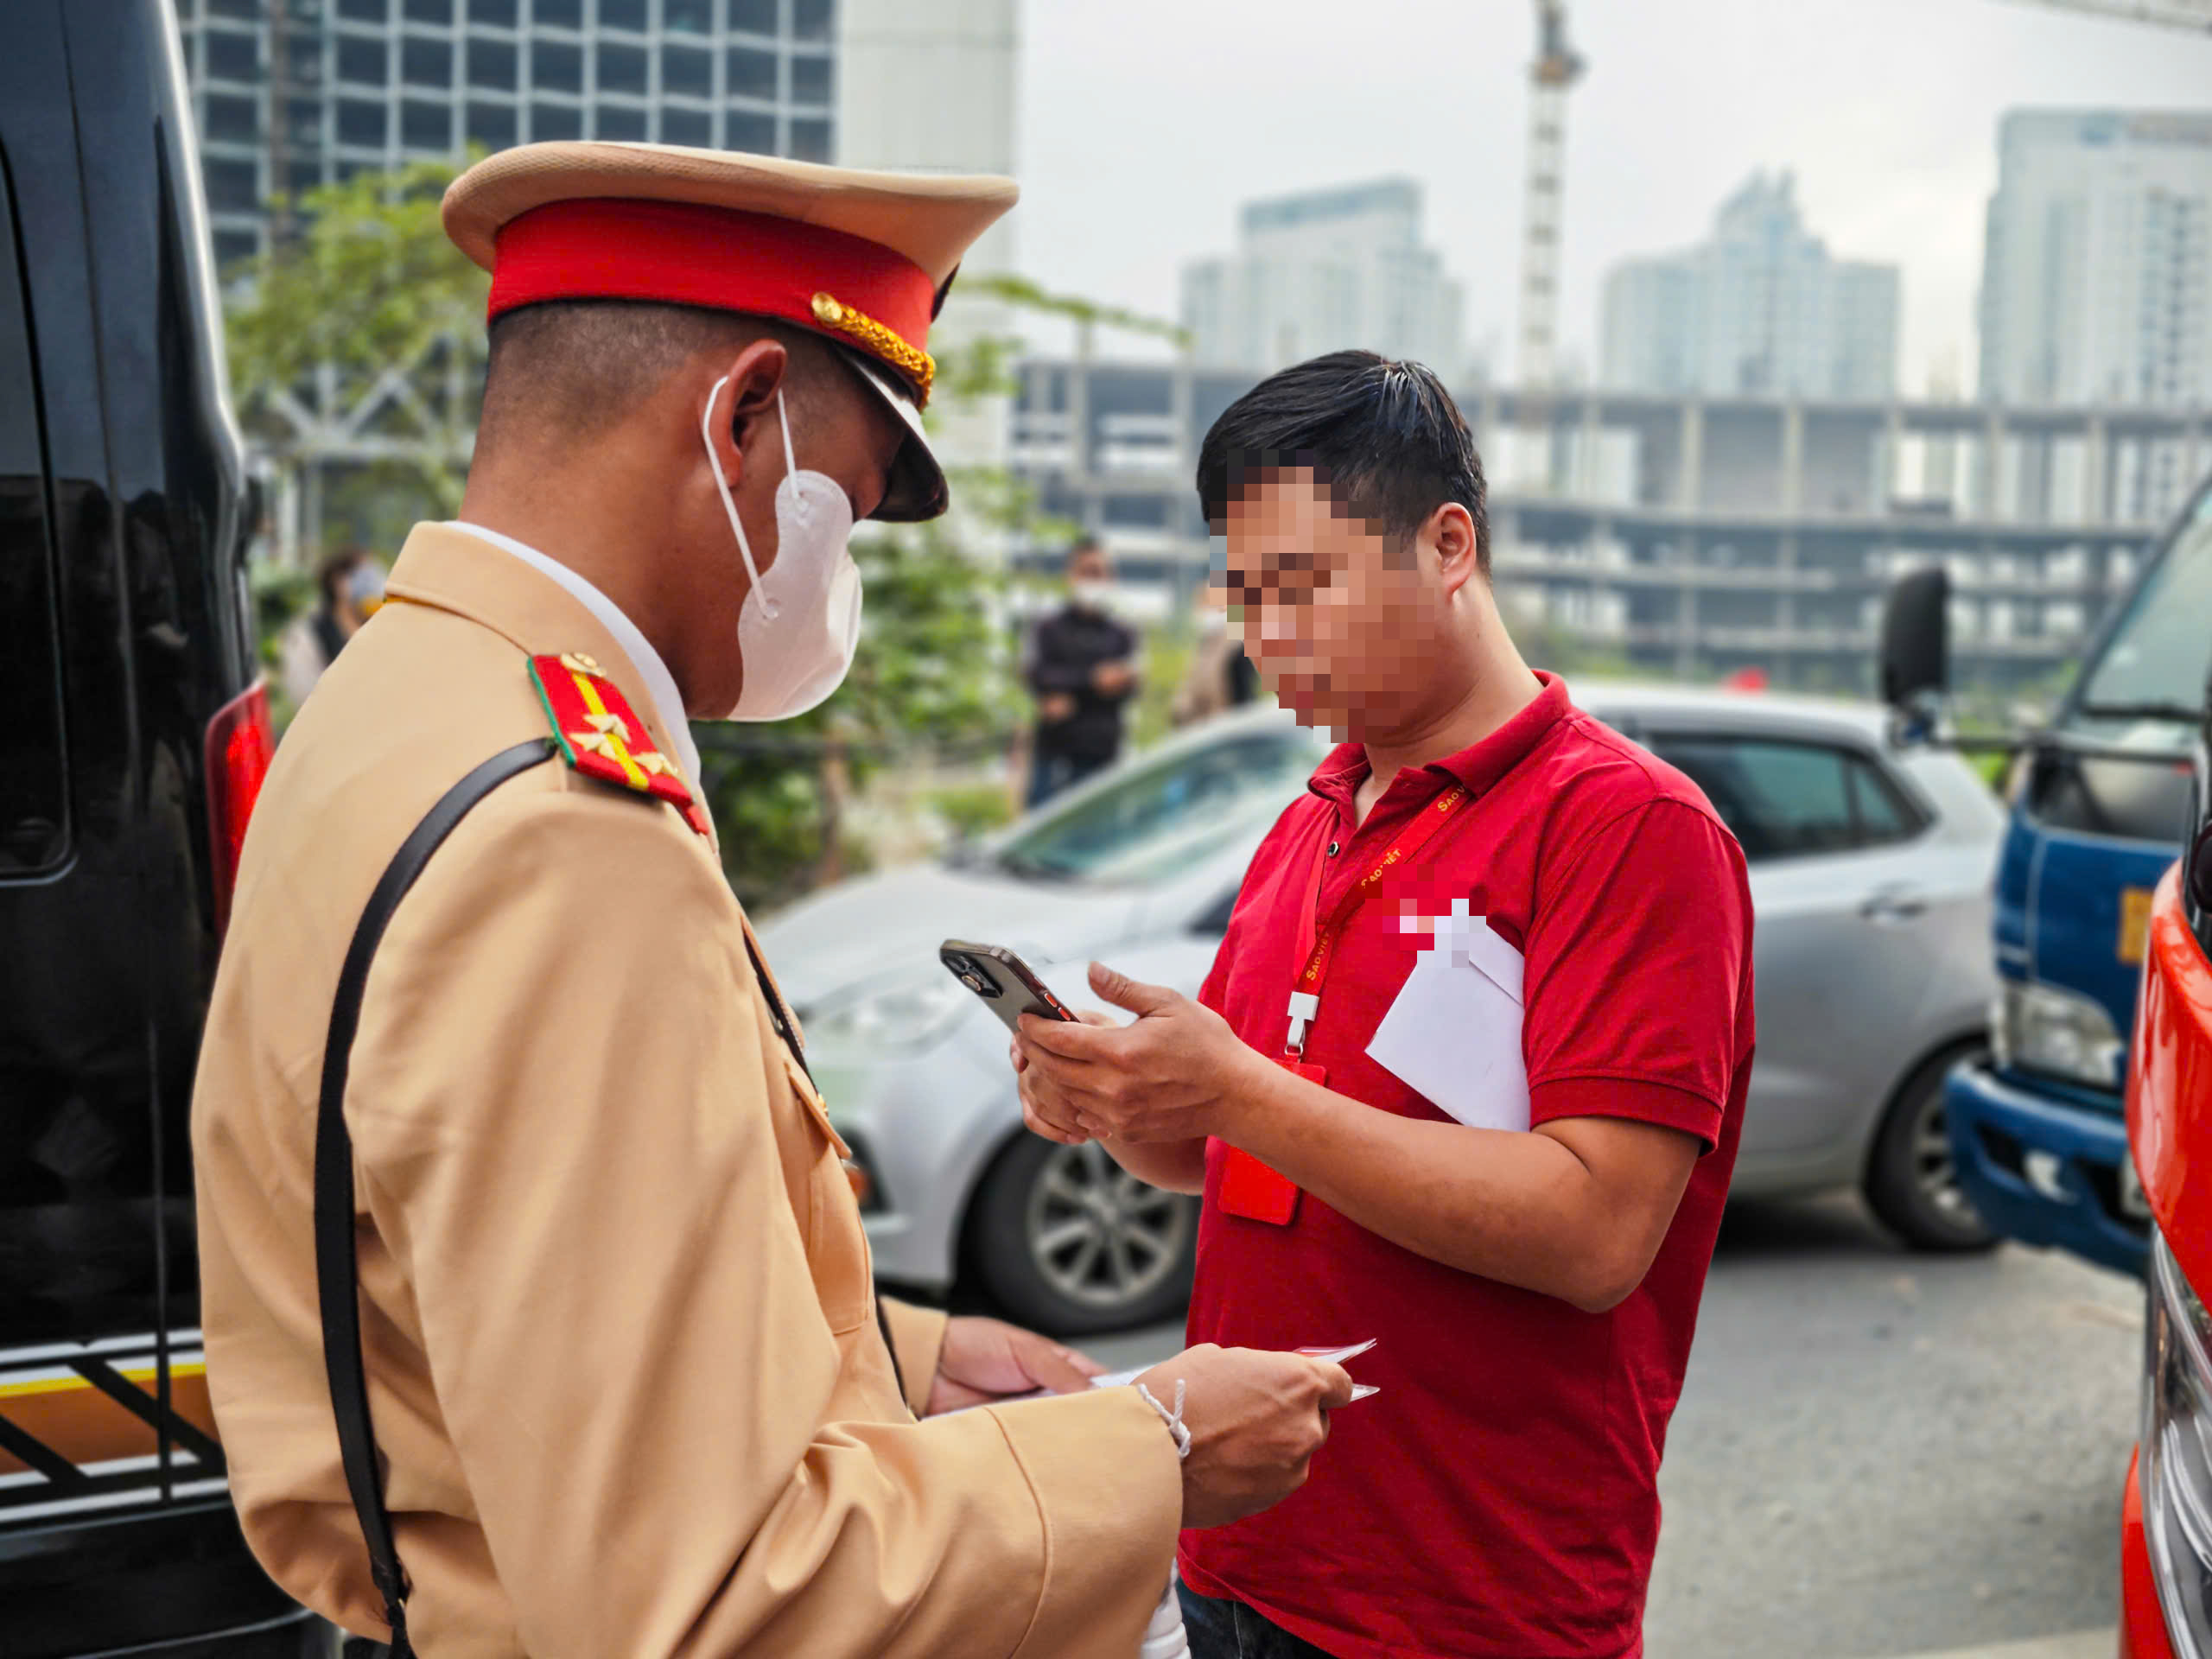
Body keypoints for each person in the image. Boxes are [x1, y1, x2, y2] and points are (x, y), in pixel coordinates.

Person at [191, 143, 1351, 1658]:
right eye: (847, 515)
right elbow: (710, 1603)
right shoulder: (564, 839)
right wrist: (1156, 1450)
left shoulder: (396, 698)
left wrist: (892, 1354)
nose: (839, 580)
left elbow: (496, 1305)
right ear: (739, 418)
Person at [1012, 352, 1756, 1659]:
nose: (1267, 638)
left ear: (1448, 543)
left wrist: (1240, 1086)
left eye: (1302, 586)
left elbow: (1595, 1232)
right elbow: (1223, 1152)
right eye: (1243, 598)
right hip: (1236, 1556)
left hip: (1469, 1603)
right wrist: (1119, 1103)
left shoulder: (1629, 829)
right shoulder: (1312, 823)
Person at [1022, 536, 1139, 804]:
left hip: (1103, 760)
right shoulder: (1048, 628)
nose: (1094, 580)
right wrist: (1092, 680)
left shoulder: (1122, 634)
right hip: (1053, 757)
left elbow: (1127, 686)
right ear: (1070, 574)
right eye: (1087, 572)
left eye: (1100, 572)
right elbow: (1038, 675)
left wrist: (1069, 691)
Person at [278, 546, 386, 709]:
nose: (371, 582)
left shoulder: (380, 627)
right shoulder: (308, 634)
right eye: (361, 575)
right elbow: (304, 696)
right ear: (337, 582)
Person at [1172, 578, 1261, 727]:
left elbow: (1244, 703)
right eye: (1202, 602)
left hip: (1226, 734)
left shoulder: (1238, 648)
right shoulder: (1205, 645)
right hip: (1198, 732)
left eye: (1209, 603)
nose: (1203, 608)